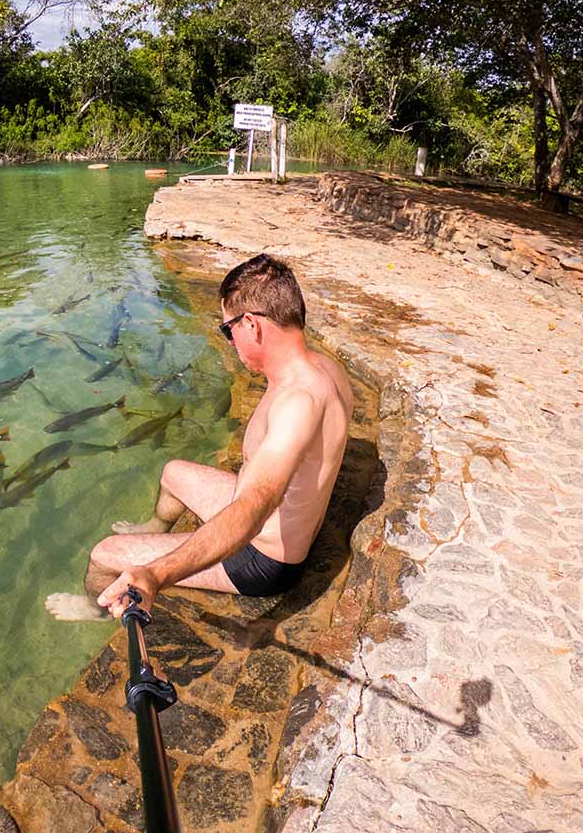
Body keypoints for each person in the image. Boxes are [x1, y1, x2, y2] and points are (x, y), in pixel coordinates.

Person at [45, 253, 352, 621]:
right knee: (173, 473)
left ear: (252, 325)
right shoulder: (324, 369)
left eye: (228, 330)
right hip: (280, 526)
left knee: (105, 554)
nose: (230, 342)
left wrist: (156, 573)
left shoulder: (298, 402)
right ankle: (155, 529)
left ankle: (93, 609)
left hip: (262, 559)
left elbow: (252, 511)